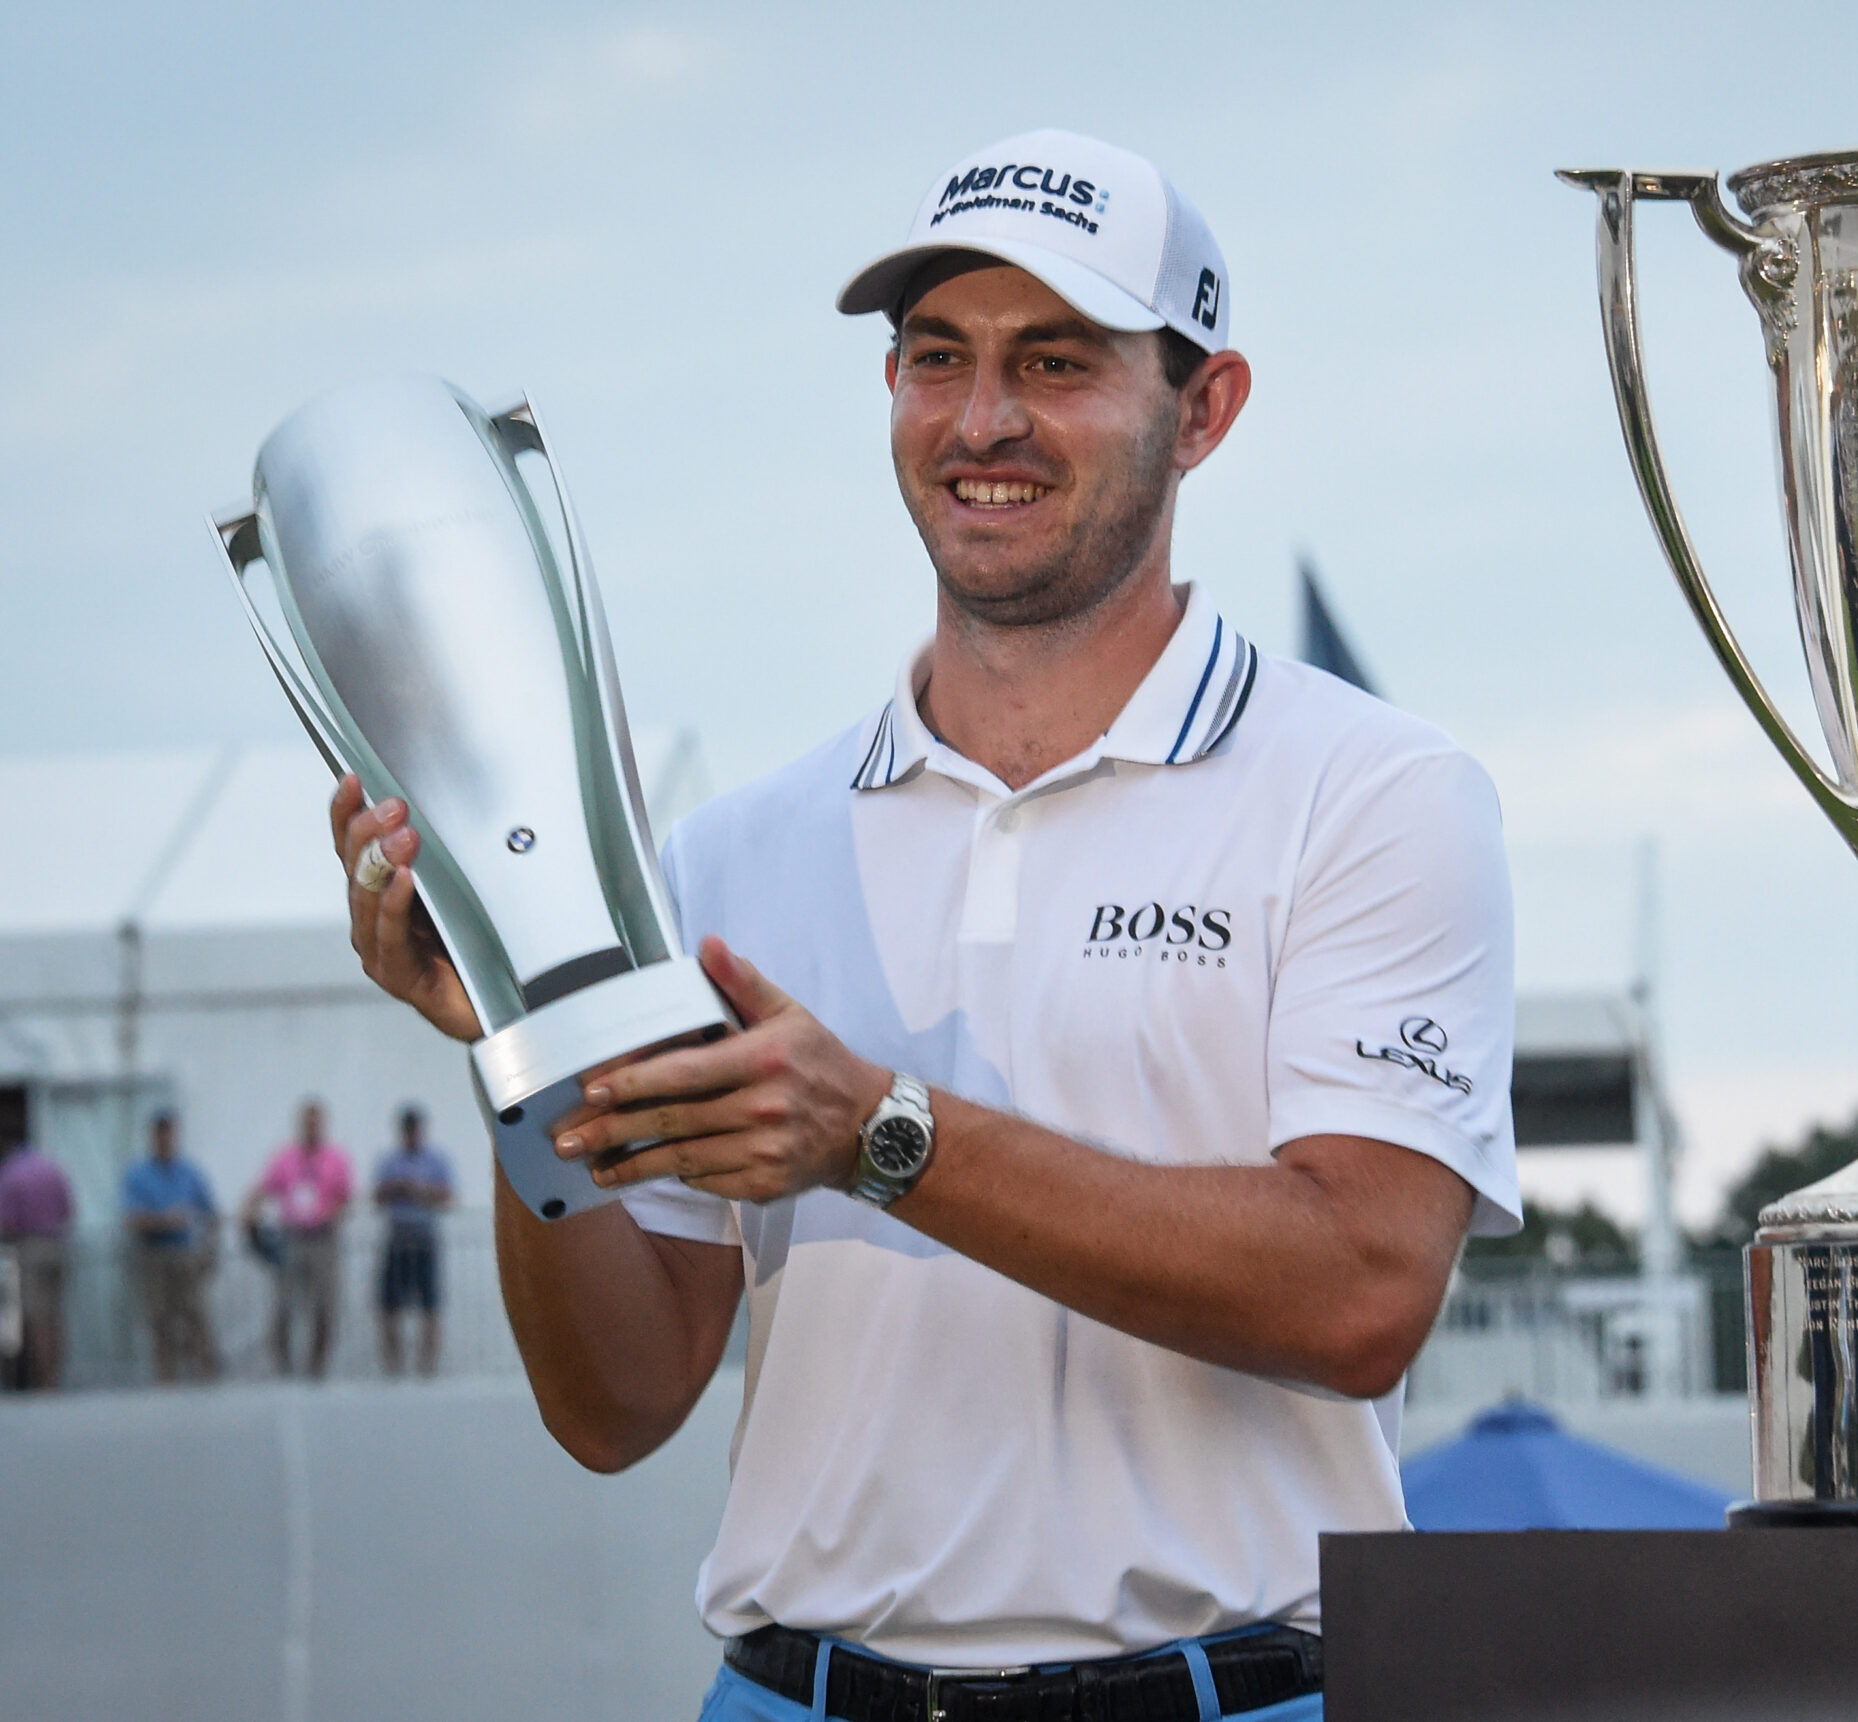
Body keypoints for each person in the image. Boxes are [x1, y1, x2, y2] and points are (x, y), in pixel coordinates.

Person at [332, 128, 1516, 1722]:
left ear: (1206, 407)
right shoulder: (735, 846)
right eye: (934, 358)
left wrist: (881, 1135)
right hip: (797, 1695)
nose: (983, 421)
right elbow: (617, 1399)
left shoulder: (1375, 791)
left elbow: (1363, 1293)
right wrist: (518, 1056)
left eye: (1059, 360)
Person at [242, 1098, 353, 1379]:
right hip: (292, 1238)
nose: (311, 1127)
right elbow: (265, 1188)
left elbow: (346, 1196)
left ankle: (317, 1367)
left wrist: (333, 1213)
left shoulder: (335, 1159)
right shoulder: (285, 1158)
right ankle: (284, 1367)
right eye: (307, 1122)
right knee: (284, 1306)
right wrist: (249, 1210)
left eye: (316, 1122)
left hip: (323, 1238)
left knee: (325, 1306)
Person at [121, 1109, 221, 1383]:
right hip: (154, 1256)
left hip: (186, 1255)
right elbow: (132, 1218)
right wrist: (165, 1221)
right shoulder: (138, 1175)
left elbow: (211, 1214)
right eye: (160, 1133)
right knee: (160, 1321)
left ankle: (205, 1376)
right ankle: (166, 1379)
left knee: (195, 1316)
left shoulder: (189, 1172)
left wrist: (210, 1252)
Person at [372, 1104, 453, 1376]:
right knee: (390, 1305)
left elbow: (448, 1197)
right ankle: (393, 1368)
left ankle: (427, 1368)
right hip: (398, 1236)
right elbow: (376, 1198)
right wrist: (396, 1188)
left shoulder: (436, 1160)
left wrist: (420, 1191)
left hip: (423, 1237)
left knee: (430, 1305)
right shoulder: (389, 1162)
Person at [0, 1132, 75, 1391]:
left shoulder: (10, 1173)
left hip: (30, 1247)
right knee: (55, 1315)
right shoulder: (52, 1169)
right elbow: (69, 1209)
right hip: (57, 1245)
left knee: (37, 1316)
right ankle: (57, 1375)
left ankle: (46, 1380)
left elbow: (6, 1223)